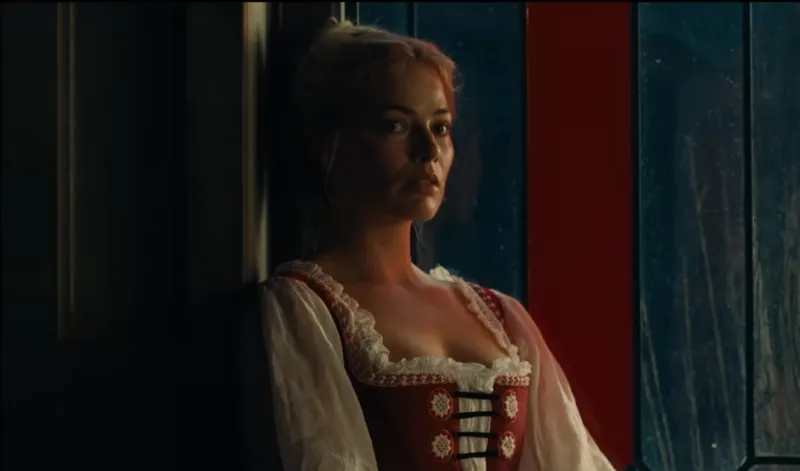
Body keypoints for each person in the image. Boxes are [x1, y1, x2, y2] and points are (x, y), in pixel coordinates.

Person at [262, 19, 615, 471]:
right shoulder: (305, 307)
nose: (427, 150)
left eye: (441, 127)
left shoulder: (501, 316)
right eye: (394, 125)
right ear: (326, 143)